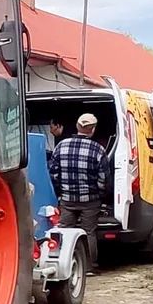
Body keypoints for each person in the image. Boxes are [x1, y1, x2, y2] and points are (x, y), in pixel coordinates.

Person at [50, 112, 108, 274]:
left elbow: (54, 173)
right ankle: (89, 267)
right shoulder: (98, 149)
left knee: (64, 231)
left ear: (77, 127)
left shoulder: (61, 146)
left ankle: (62, 265)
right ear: (93, 129)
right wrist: (101, 195)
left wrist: (60, 192)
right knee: (88, 232)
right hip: (90, 200)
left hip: (67, 199)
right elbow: (103, 178)